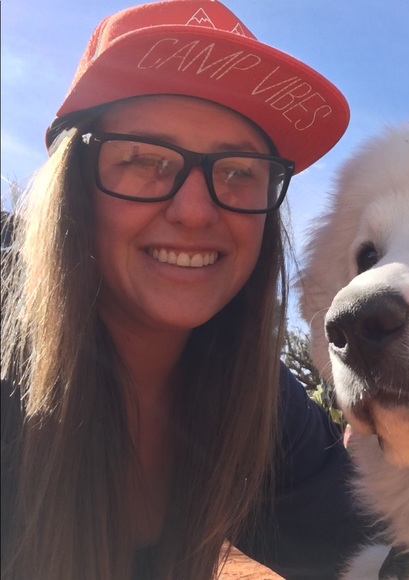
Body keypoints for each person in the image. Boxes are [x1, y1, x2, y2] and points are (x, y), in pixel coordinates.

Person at [1, 1, 375, 579]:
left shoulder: (257, 399)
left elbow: (373, 551)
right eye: (145, 159)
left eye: (238, 170)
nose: (196, 211)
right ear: (71, 182)